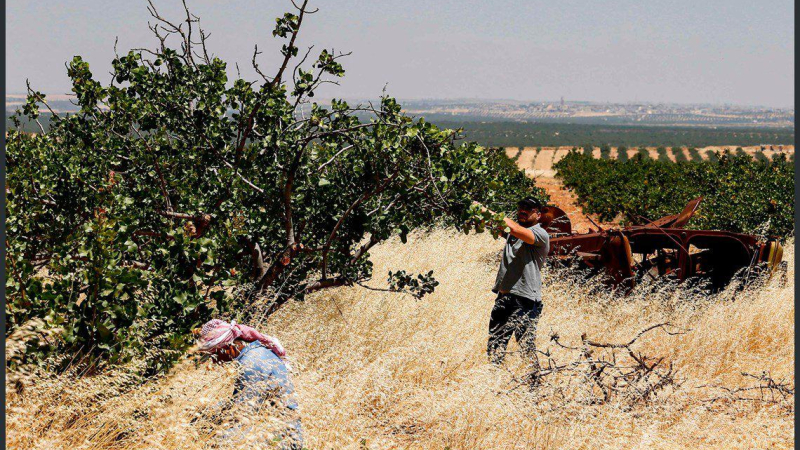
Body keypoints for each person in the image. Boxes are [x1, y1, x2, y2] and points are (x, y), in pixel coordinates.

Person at [195, 319, 303, 450]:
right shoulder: (258, 352)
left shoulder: (251, 364)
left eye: (215, 355)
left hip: (280, 442)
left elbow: (243, 415)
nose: (214, 361)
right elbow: (247, 399)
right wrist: (210, 410)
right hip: (285, 436)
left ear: (228, 347)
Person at [477, 197, 550, 384]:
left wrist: (483, 208)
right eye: (521, 207)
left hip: (525, 299)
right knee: (495, 343)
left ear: (538, 215)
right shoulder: (513, 233)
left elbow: (515, 229)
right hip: (504, 296)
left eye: (529, 209)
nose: (523, 210)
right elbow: (494, 225)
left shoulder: (539, 234)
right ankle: (494, 383)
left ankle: (534, 386)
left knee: (525, 345)